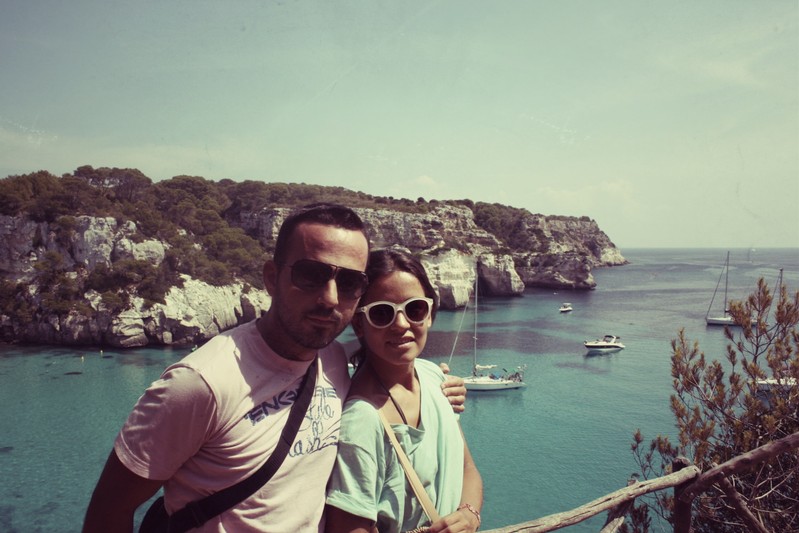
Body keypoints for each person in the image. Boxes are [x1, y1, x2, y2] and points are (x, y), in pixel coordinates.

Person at [83, 204, 466, 533]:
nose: (330, 298)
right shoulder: (200, 384)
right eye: (311, 275)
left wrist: (439, 383)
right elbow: (108, 510)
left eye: (350, 282)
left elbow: (391, 355)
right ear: (271, 277)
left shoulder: (333, 357)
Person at [325, 249, 483, 533]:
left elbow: (467, 468)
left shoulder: (434, 377)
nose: (401, 324)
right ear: (359, 324)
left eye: (415, 309)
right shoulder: (362, 421)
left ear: (430, 314)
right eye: (382, 313)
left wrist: (469, 515)